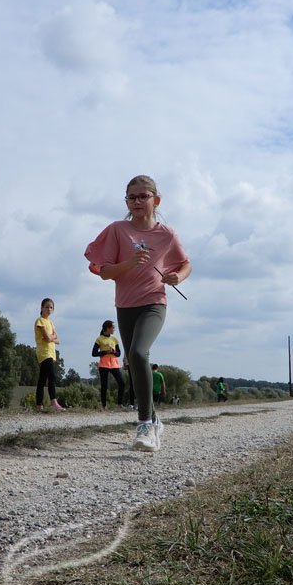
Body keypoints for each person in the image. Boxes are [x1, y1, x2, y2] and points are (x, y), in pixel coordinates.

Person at [84, 175, 191, 452]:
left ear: (156, 200)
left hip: (154, 302)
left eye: (143, 196)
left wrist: (177, 277)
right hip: (125, 305)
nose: (137, 202)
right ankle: (155, 420)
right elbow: (105, 272)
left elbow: (185, 264)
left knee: (139, 353)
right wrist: (129, 262)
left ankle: (144, 425)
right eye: (132, 197)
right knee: (133, 360)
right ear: (126, 202)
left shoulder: (166, 234)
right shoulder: (118, 230)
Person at [34, 298, 65, 411]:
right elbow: (48, 338)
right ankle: (53, 402)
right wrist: (52, 338)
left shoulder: (51, 323)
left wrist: (51, 338)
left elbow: (58, 340)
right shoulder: (40, 321)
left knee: (42, 379)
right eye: (46, 306)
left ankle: (39, 405)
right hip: (44, 352)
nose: (48, 309)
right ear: (42, 308)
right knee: (52, 376)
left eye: (51, 307)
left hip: (51, 353)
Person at [92, 320, 125, 409]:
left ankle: (119, 404)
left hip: (114, 364)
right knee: (104, 386)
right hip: (104, 365)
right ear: (107, 328)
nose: (114, 329)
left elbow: (119, 353)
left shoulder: (114, 339)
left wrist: (114, 352)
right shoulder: (99, 339)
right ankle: (103, 405)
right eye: (113, 327)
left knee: (122, 383)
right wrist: (105, 352)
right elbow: (94, 353)